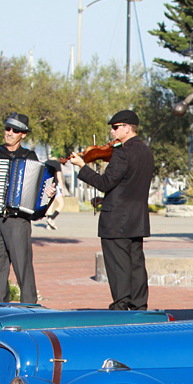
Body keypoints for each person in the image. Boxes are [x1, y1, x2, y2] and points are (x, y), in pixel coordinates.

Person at [69, 109, 154, 310]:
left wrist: (82, 166)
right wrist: (105, 199)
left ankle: (121, 305)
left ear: (127, 128)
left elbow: (105, 182)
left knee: (118, 266)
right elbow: (128, 186)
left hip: (117, 221)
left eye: (115, 128)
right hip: (136, 218)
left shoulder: (123, 152)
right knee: (136, 264)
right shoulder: (146, 152)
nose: (112, 132)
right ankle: (139, 305)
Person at [0, 112, 39, 304]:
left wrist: (47, 195)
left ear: (23, 134)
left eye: (15, 130)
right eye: (7, 128)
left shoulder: (29, 156)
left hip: (18, 220)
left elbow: (38, 189)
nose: (9, 133)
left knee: (23, 268)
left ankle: (31, 310)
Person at [44, 157, 66, 230]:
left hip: (47, 186)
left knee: (50, 205)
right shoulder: (57, 163)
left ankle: (49, 224)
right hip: (54, 186)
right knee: (61, 203)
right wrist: (63, 189)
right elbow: (59, 177)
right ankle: (52, 219)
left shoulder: (46, 162)